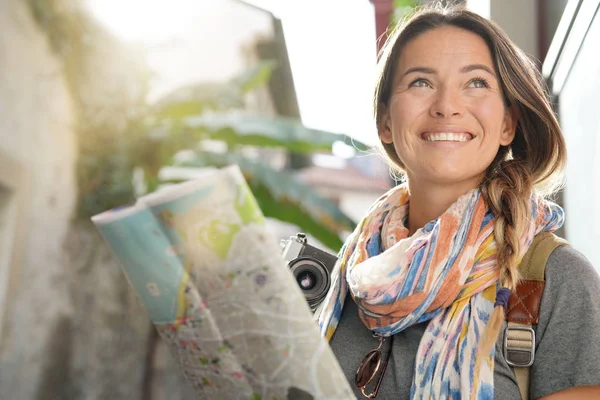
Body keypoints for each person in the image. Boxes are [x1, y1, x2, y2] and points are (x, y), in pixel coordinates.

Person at [316, 4, 600, 400]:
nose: (447, 106)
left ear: (507, 123)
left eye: (477, 83)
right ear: (384, 121)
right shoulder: (348, 281)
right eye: (420, 82)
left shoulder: (557, 280)